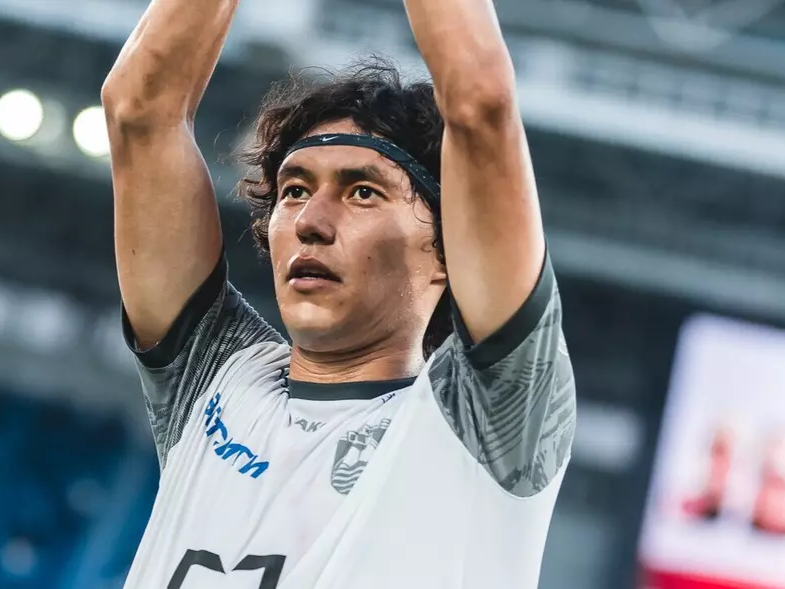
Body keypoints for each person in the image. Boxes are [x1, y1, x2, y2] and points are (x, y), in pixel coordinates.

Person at [102, 0, 576, 586]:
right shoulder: (215, 377)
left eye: (362, 193)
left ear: (448, 248)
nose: (310, 222)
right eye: (295, 190)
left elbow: (479, 105)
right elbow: (139, 112)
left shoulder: (490, 422)